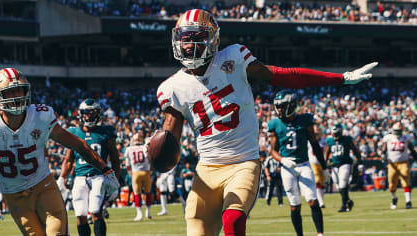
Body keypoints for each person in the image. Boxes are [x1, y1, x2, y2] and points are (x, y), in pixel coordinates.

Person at [155, 8, 377, 235]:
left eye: (197, 37)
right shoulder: (172, 88)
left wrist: (340, 78)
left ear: (212, 39)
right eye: (184, 38)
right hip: (207, 169)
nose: (189, 45)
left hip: (243, 163)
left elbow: (286, 75)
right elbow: (169, 139)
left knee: (233, 220)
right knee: (196, 227)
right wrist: (155, 152)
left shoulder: (234, 58)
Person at [0, 68, 119, 236]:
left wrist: (106, 169)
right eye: (10, 92)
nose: (17, 96)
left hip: (42, 186)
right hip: (13, 193)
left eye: (20, 90)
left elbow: (78, 145)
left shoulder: (40, 116)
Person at [268, 90, 327, 236]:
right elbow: (273, 151)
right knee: (295, 206)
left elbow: (314, 144)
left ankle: (320, 234)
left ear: (292, 105)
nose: (279, 109)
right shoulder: (275, 123)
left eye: (282, 106)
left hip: (304, 165)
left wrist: (324, 167)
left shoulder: (305, 120)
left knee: (313, 201)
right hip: (287, 168)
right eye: (278, 106)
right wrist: (283, 160)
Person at [59, 98, 121, 236]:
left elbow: (115, 159)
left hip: (99, 176)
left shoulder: (106, 132)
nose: (88, 115)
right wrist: (62, 178)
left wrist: (115, 181)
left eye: (92, 112)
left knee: (95, 211)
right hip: (80, 178)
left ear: (98, 113)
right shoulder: (74, 132)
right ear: (80, 114)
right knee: (80, 215)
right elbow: (68, 160)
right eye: (86, 113)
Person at [325, 124, 362, 212]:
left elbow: (354, 149)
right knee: (338, 186)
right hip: (335, 165)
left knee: (343, 184)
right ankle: (348, 201)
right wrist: (325, 161)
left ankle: (343, 206)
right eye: (333, 134)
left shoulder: (346, 139)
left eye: (336, 133)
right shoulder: (330, 140)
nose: (335, 135)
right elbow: (327, 151)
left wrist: (359, 160)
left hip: (345, 164)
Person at [381, 122, 417, 210]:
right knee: (392, 184)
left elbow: (411, 148)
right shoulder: (388, 138)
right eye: (396, 130)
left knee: (406, 180)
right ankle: (394, 198)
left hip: (404, 162)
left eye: (399, 130)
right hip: (392, 163)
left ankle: (408, 201)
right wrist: (383, 154)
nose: (398, 132)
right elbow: (384, 147)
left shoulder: (406, 138)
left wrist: (415, 156)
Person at [124, 132, 153, 221]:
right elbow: (151, 160)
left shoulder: (129, 149)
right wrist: (150, 171)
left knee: (137, 194)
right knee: (148, 193)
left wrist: (130, 173)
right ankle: (148, 211)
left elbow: (127, 165)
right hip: (146, 172)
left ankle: (139, 214)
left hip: (136, 173)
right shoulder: (146, 147)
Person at [308, 126, 328, 208]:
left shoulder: (324, 141)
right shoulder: (309, 141)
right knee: (317, 180)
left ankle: (321, 200)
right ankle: (320, 201)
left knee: (323, 181)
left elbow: (326, 150)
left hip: (321, 163)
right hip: (313, 163)